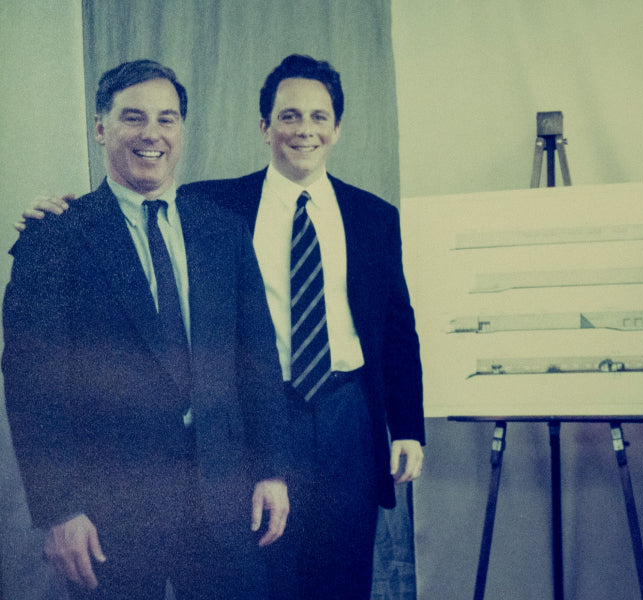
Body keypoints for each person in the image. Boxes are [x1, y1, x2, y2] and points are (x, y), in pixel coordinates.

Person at [3, 60, 290, 599]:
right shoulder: (54, 239)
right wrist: (58, 510)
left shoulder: (222, 231)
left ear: (182, 129)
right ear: (100, 128)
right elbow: (31, 388)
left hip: (224, 497)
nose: (151, 134)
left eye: (167, 119)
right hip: (108, 512)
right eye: (132, 118)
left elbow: (256, 359)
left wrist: (271, 469)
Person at [182, 54, 425, 600]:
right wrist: (64, 212)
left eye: (319, 117)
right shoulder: (210, 206)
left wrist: (407, 426)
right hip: (255, 418)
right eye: (289, 116)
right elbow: (135, 211)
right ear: (264, 126)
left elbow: (397, 327)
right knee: (261, 576)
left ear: (337, 129)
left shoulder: (374, 217)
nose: (304, 130)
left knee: (341, 580)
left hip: (348, 419)